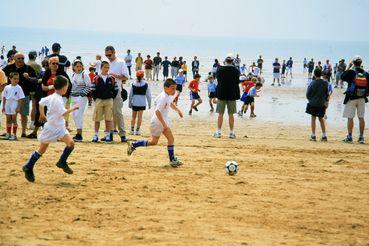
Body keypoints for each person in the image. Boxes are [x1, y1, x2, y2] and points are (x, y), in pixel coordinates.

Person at [22, 75, 79, 183]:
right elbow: (63, 112)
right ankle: (28, 166)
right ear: (63, 88)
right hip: (52, 128)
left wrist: (42, 114)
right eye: (67, 86)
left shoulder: (53, 96)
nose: (67, 88)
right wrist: (74, 107)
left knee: (70, 144)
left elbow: (41, 103)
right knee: (42, 149)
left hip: (59, 127)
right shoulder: (56, 99)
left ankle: (62, 162)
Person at [127, 78, 184, 167]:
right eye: (172, 88)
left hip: (162, 120)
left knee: (157, 141)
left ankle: (134, 144)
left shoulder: (167, 95)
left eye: (175, 88)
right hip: (158, 122)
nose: (174, 90)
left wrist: (178, 110)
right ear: (165, 87)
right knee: (164, 140)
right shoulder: (163, 97)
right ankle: (172, 160)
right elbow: (157, 111)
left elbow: (170, 103)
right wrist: (164, 125)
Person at [26, 57, 72, 139]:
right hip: (46, 96)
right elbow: (43, 87)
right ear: (49, 64)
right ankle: (34, 132)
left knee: (56, 117)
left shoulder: (62, 73)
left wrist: (62, 93)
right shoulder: (47, 73)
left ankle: (57, 135)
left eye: (57, 63)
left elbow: (68, 85)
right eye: (53, 63)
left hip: (58, 98)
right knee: (40, 114)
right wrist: (53, 86)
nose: (55, 65)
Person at [3, 53, 37, 137]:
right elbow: (2, 75)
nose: (21, 60)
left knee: (24, 114)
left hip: (24, 95)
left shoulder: (29, 69)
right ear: (14, 59)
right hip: (10, 96)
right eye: (19, 58)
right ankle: (9, 132)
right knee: (10, 116)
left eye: (22, 58)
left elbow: (35, 80)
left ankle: (23, 132)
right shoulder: (9, 68)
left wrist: (29, 78)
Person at [341, 55, 369, 144]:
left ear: (353, 63)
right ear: (361, 63)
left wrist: (349, 67)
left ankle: (349, 137)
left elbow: (342, 77)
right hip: (362, 98)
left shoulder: (351, 72)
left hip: (352, 98)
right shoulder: (366, 73)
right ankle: (361, 137)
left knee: (350, 118)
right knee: (361, 117)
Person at [104, 45, 129, 142]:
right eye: (106, 55)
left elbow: (126, 77)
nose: (108, 57)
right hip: (106, 92)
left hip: (117, 91)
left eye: (109, 55)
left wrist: (113, 76)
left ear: (114, 52)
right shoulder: (106, 63)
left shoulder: (120, 62)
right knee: (107, 114)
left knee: (118, 113)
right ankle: (109, 135)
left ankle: (122, 135)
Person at [91, 61, 118, 143]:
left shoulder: (112, 78)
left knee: (108, 119)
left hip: (109, 100)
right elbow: (93, 89)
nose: (106, 69)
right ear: (101, 68)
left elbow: (116, 89)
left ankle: (107, 135)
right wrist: (96, 98)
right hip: (99, 100)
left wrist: (111, 97)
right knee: (97, 118)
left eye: (108, 67)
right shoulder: (96, 78)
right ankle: (95, 135)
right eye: (105, 67)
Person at [213, 54, 240, 139]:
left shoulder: (220, 69)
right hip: (232, 94)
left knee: (220, 114)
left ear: (226, 60)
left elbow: (218, 80)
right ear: (232, 61)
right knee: (231, 114)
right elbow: (237, 81)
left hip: (221, 93)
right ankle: (231, 133)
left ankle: (218, 132)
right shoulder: (236, 70)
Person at [70, 60, 92, 141]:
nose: (79, 68)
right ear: (73, 67)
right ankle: (78, 133)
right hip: (73, 97)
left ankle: (79, 135)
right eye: (77, 66)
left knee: (78, 115)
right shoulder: (73, 75)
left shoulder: (84, 75)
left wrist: (82, 94)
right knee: (74, 115)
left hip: (81, 98)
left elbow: (89, 86)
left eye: (80, 66)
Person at [305, 68, 329, 141]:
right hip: (321, 103)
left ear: (314, 74)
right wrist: (325, 102)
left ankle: (313, 135)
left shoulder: (312, 83)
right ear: (321, 74)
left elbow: (307, 94)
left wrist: (310, 99)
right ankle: (324, 135)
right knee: (321, 119)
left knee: (313, 118)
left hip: (313, 103)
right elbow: (327, 94)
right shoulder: (325, 83)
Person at [1, 72, 25, 140]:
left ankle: (14, 134)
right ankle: (8, 134)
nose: (16, 80)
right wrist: (3, 106)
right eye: (14, 79)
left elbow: (20, 98)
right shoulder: (6, 87)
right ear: (10, 79)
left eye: (17, 79)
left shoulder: (19, 88)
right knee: (8, 119)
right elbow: (4, 97)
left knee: (14, 119)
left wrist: (18, 107)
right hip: (7, 104)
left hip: (14, 103)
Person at [128, 70, 151, 135]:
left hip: (135, 102)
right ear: (143, 76)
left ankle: (132, 130)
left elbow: (130, 95)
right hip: (142, 103)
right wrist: (149, 104)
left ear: (136, 75)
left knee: (133, 117)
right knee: (140, 117)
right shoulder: (145, 84)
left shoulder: (133, 84)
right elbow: (148, 95)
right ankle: (137, 130)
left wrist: (129, 103)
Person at [27, 51, 42, 130]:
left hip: (26, 88)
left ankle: (28, 123)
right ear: (35, 56)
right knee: (34, 106)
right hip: (34, 87)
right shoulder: (37, 65)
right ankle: (32, 123)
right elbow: (40, 76)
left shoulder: (26, 64)